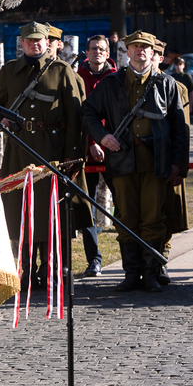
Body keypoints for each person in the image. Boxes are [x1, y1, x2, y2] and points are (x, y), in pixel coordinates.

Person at [82, 31, 187, 292]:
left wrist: (178, 164)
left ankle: (151, 272)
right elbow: (88, 112)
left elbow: (180, 128)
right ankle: (131, 273)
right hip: (122, 162)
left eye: (145, 47)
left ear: (153, 53)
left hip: (156, 162)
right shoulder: (110, 84)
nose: (140, 50)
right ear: (126, 52)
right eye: (135, 47)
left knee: (153, 217)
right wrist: (102, 136)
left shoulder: (167, 84)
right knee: (126, 217)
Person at [0, 21, 91, 289]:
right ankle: (24, 270)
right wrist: (0, 120)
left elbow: (75, 116)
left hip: (53, 150)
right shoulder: (10, 71)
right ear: (21, 43)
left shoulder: (62, 71)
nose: (35, 44)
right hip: (19, 150)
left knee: (50, 213)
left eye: (40, 40)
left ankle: (50, 270)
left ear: (48, 43)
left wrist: (72, 158)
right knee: (22, 212)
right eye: (29, 40)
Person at [74, 35, 117, 277]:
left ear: (107, 52)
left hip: (114, 148)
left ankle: (132, 256)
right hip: (87, 150)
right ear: (87, 52)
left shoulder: (117, 78)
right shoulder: (77, 76)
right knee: (86, 207)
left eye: (101, 49)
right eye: (93, 49)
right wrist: (92, 141)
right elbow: (80, 113)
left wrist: (107, 140)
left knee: (124, 204)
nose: (97, 52)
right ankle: (94, 259)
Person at [157, 41, 191, 285]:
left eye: (160, 54)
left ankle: (161, 260)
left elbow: (184, 128)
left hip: (170, 160)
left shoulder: (177, 87)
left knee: (168, 213)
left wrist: (181, 166)